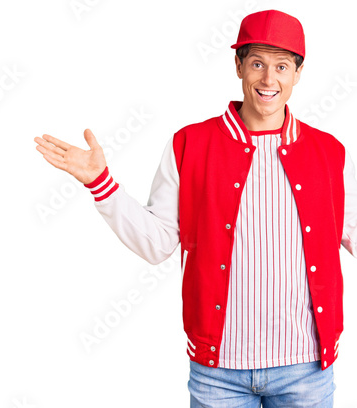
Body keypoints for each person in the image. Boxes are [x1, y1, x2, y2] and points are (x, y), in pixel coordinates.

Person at [34, 9, 357, 407]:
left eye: (281, 66)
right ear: (238, 66)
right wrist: (101, 183)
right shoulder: (190, 145)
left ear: (297, 73)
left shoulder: (329, 152)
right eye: (257, 63)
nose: (269, 79)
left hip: (305, 366)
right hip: (217, 371)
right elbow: (157, 244)